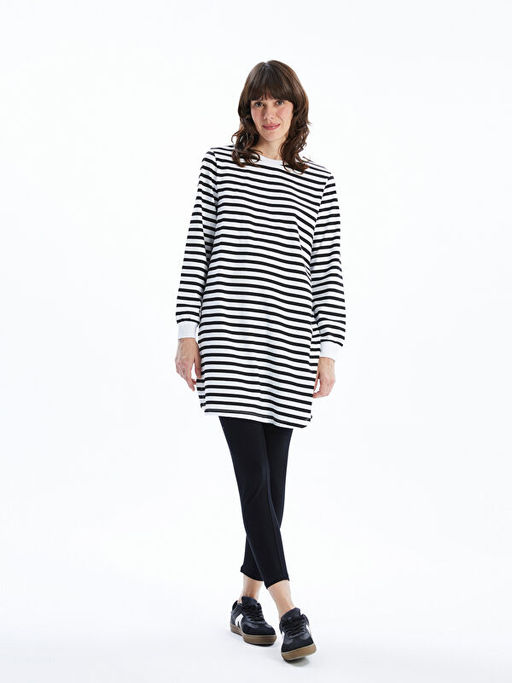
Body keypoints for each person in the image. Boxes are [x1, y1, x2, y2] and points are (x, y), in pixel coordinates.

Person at [175, 60, 346, 661]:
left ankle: (244, 601)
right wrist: (187, 333)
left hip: (290, 347)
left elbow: (327, 271)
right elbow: (197, 250)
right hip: (228, 343)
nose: (269, 114)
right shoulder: (219, 165)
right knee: (253, 480)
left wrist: (328, 349)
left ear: (295, 110)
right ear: (248, 110)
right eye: (259, 104)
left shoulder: (318, 182)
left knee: (274, 491)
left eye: (279, 104)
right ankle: (288, 609)